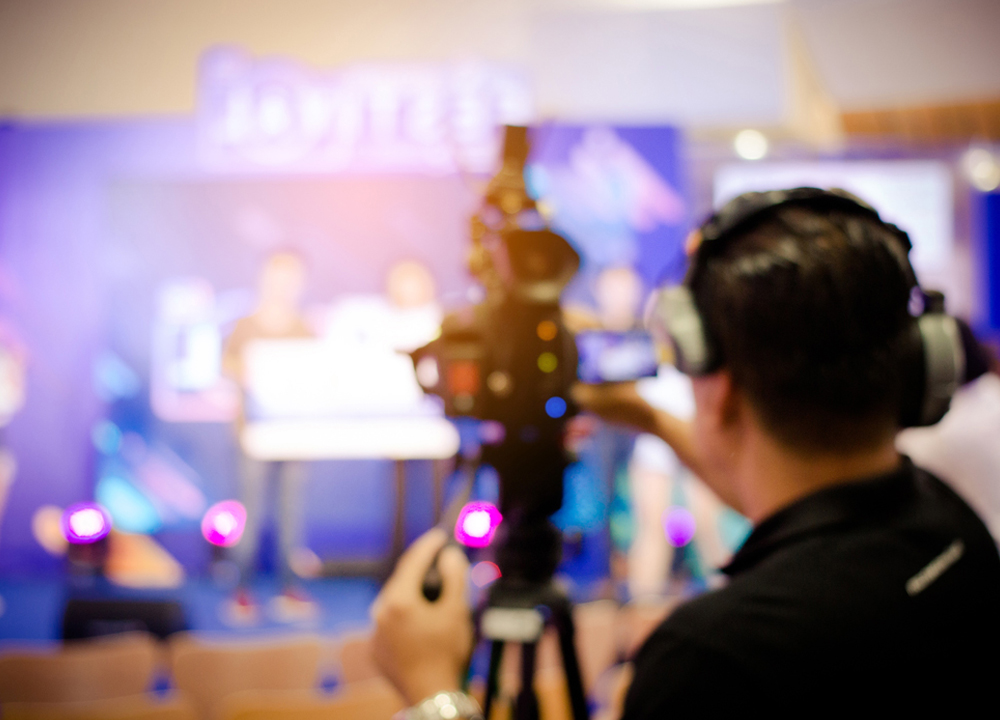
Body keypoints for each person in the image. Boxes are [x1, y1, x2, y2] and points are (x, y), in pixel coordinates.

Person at [371, 189, 1000, 716]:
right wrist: (648, 416)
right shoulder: (951, 527)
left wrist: (434, 694)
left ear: (718, 388)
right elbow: (786, 489)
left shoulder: (713, 663)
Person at [222, 250, 316, 623]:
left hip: (293, 434)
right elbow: (225, 364)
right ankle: (241, 592)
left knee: (291, 515)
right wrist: (245, 371)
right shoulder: (245, 326)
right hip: (254, 434)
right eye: (277, 276)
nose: (283, 285)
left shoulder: (305, 328)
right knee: (250, 514)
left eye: (291, 278)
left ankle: (289, 589)